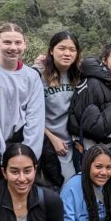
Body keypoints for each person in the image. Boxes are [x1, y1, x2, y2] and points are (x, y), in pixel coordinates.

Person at [69, 44, 111, 167]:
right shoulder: (93, 83)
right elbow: (90, 125)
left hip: (109, 146)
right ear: (104, 60)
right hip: (91, 150)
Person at [0, 23, 45, 158]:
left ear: (25, 44)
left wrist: (29, 155)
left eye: (18, 43)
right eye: (7, 42)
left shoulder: (31, 77)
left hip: (17, 144)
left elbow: (35, 118)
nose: (13, 47)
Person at [39, 31, 81, 188]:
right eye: (62, 48)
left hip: (75, 143)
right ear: (51, 50)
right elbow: (29, 113)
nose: (67, 53)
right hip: (51, 143)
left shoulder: (78, 74)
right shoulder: (38, 74)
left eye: (72, 49)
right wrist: (51, 137)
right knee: (64, 186)